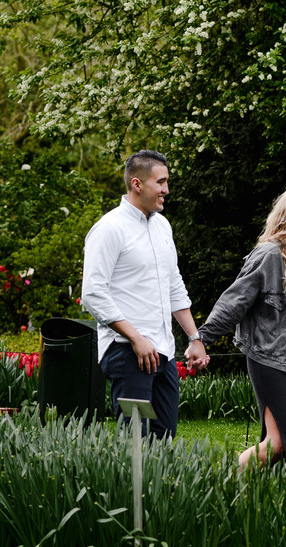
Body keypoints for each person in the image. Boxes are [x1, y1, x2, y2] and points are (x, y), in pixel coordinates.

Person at [195, 185, 286, 468]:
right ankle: (229, 479)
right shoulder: (269, 255)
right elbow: (234, 302)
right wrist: (201, 338)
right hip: (271, 361)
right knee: (281, 443)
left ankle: (274, 490)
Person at [81, 149, 208, 438]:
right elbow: (93, 293)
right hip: (127, 350)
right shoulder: (109, 228)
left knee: (164, 439)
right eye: (160, 182)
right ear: (137, 184)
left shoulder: (163, 226)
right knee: (135, 443)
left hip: (163, 351)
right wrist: (136, 338)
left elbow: (174, 285)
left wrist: (194, 338)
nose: (166, 190)